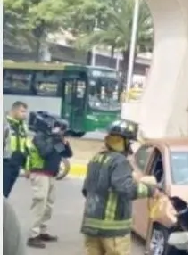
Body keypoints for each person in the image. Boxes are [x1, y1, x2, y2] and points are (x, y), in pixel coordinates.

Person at [80, 119, 160, 255]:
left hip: (91, 225)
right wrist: (150, 190)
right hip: (113, 230)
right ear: (123, 141)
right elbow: (125, 189)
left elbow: (86, 190)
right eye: (130, 142)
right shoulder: (120, 161)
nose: (131, 147)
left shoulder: (95, 159)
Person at [26, 118, 72, 248]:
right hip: (40, 173)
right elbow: (44, 153)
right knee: (40, 203)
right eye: (61, 129)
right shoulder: (39, 137)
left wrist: (65, 143)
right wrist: (55, 139)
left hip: (51, 174)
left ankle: (42, 231)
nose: (63, 132)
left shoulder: (55, 139)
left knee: (48, 205)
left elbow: (67, 154)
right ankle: (32, 235)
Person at [3, 101, 30, 197]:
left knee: (6, 194)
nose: (25, 115)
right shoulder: (4, 124)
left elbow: (27, 147)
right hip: (5, 163)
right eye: (22, 111)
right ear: (14, 110)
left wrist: (27, 166)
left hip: (17, 164)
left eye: (25, 112)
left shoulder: (23, 126)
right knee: (3, 193)